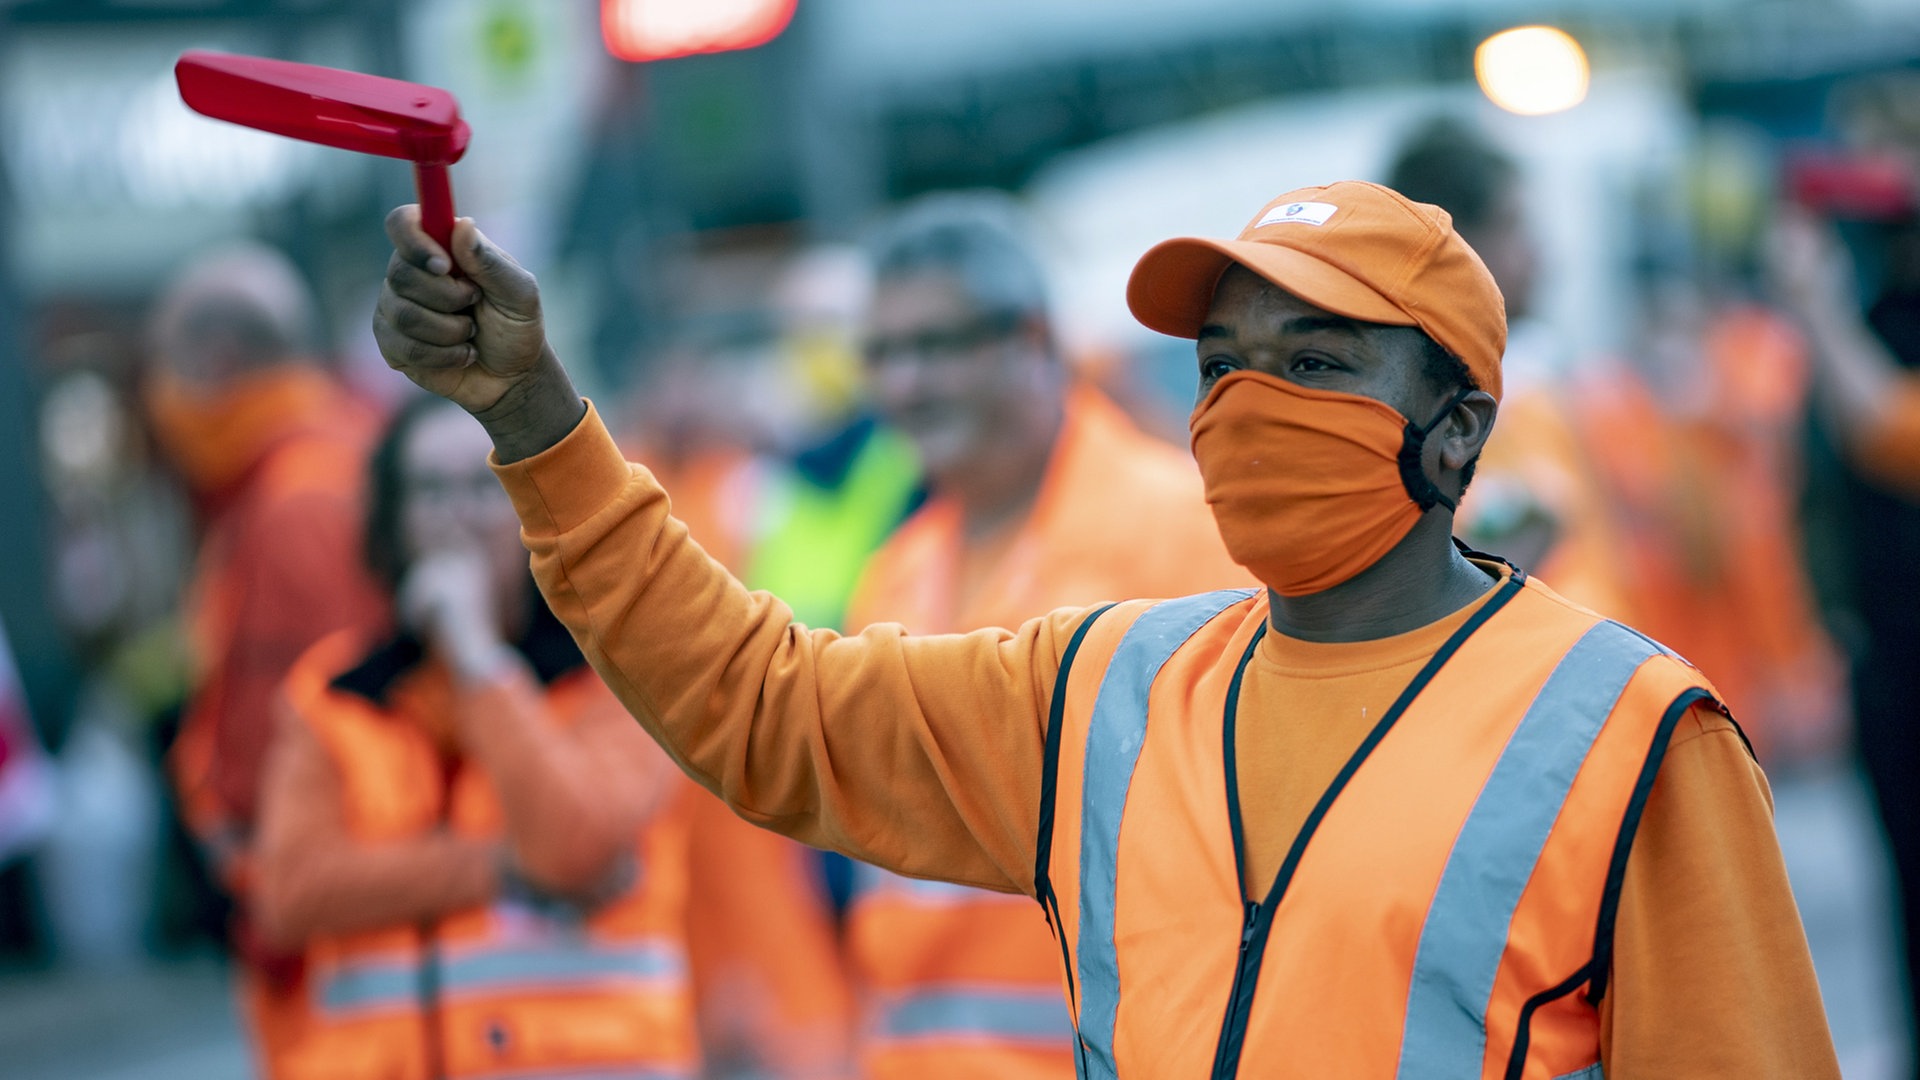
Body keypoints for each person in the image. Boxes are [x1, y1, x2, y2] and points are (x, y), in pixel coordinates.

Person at [373, 180, 1840, 1077]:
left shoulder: (1630, 737)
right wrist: (532, 415)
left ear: (1453, 437)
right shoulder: (1109, 691)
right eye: (1220, 362)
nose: (1245, 404)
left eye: (1314, 361)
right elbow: (762, 705)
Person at [840, 193, 1248, 1079]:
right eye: (882, 353)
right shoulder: (896, 576)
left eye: (935, 347)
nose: (904, 384)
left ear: (1031, 342)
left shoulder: (1181, 529)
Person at [250, 394, 699, 1080]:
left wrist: (477, 658)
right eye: (428, 492)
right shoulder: (334, 696)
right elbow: (290, 892)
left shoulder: (620, 676)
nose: (456, 518)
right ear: (394, 521)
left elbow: (573, 848)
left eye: (483, 488)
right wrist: (504, 871)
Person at [144, 244, 388, 925]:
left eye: (164, 365)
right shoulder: (298, 470)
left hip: (308, 889)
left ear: (218, 359)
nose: (159, 399)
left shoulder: (301, 500)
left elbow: (333, 716)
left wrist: (276, 875)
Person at [1385, 117, 1632, 620]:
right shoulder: (1438, 409)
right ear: (1453, 246)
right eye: (1513, 224)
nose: (1539, 254)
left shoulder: (1526, 378)